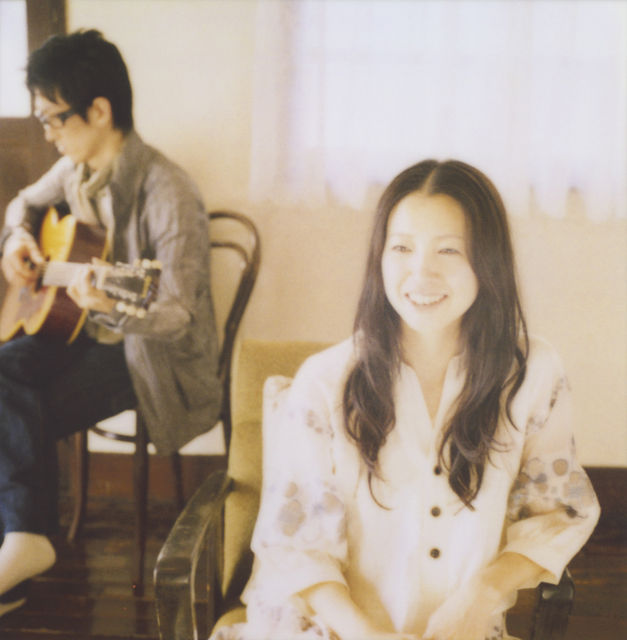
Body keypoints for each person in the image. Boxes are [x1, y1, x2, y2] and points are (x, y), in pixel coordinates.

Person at [213, 160, 600, 640]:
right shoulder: (324, 382)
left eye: (449, 249)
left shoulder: (532, 374)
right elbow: (295, 548)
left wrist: (480, 596)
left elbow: (558, 512)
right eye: (401, 248)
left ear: (489, 261)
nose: (421, 272)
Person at [0, 30, 221, 616]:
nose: (47, 133)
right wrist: (17, 239)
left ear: (98, 111)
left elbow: (178, 314)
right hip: (81, 330)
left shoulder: (169, 191)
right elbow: (23, 203)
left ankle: (22, 549)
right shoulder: (75, 170)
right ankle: (21, 545)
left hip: (148, 354)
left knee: (21, 410)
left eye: (52, 119)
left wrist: (112, 305)